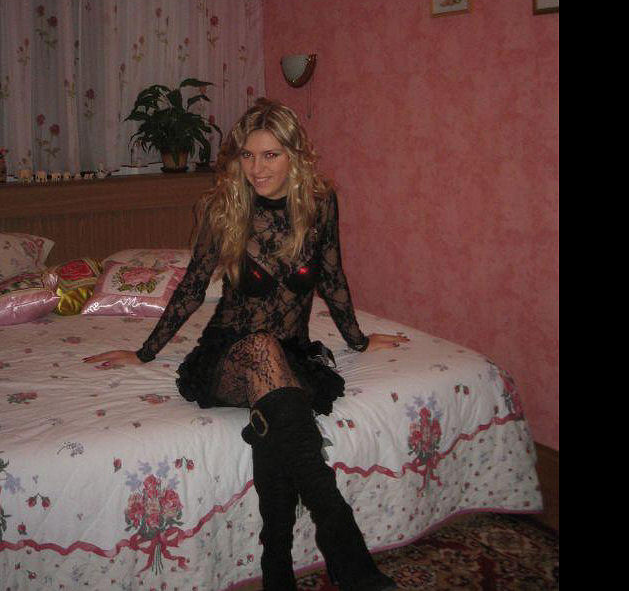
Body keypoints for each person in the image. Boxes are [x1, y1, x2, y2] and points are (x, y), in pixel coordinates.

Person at [84, 98, 398, 591]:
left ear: (295, 156)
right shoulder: (225, 206)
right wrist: (144, 352)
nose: (257, 168)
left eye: (271, 155)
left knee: (277, 416)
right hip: (230, 353)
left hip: (291, 353)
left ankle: (277, 565)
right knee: (263, 356)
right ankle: (350, 558)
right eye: (248, 156)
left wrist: (358, 340)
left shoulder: (319, 202)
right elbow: (192, 286)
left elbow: (333, 276)